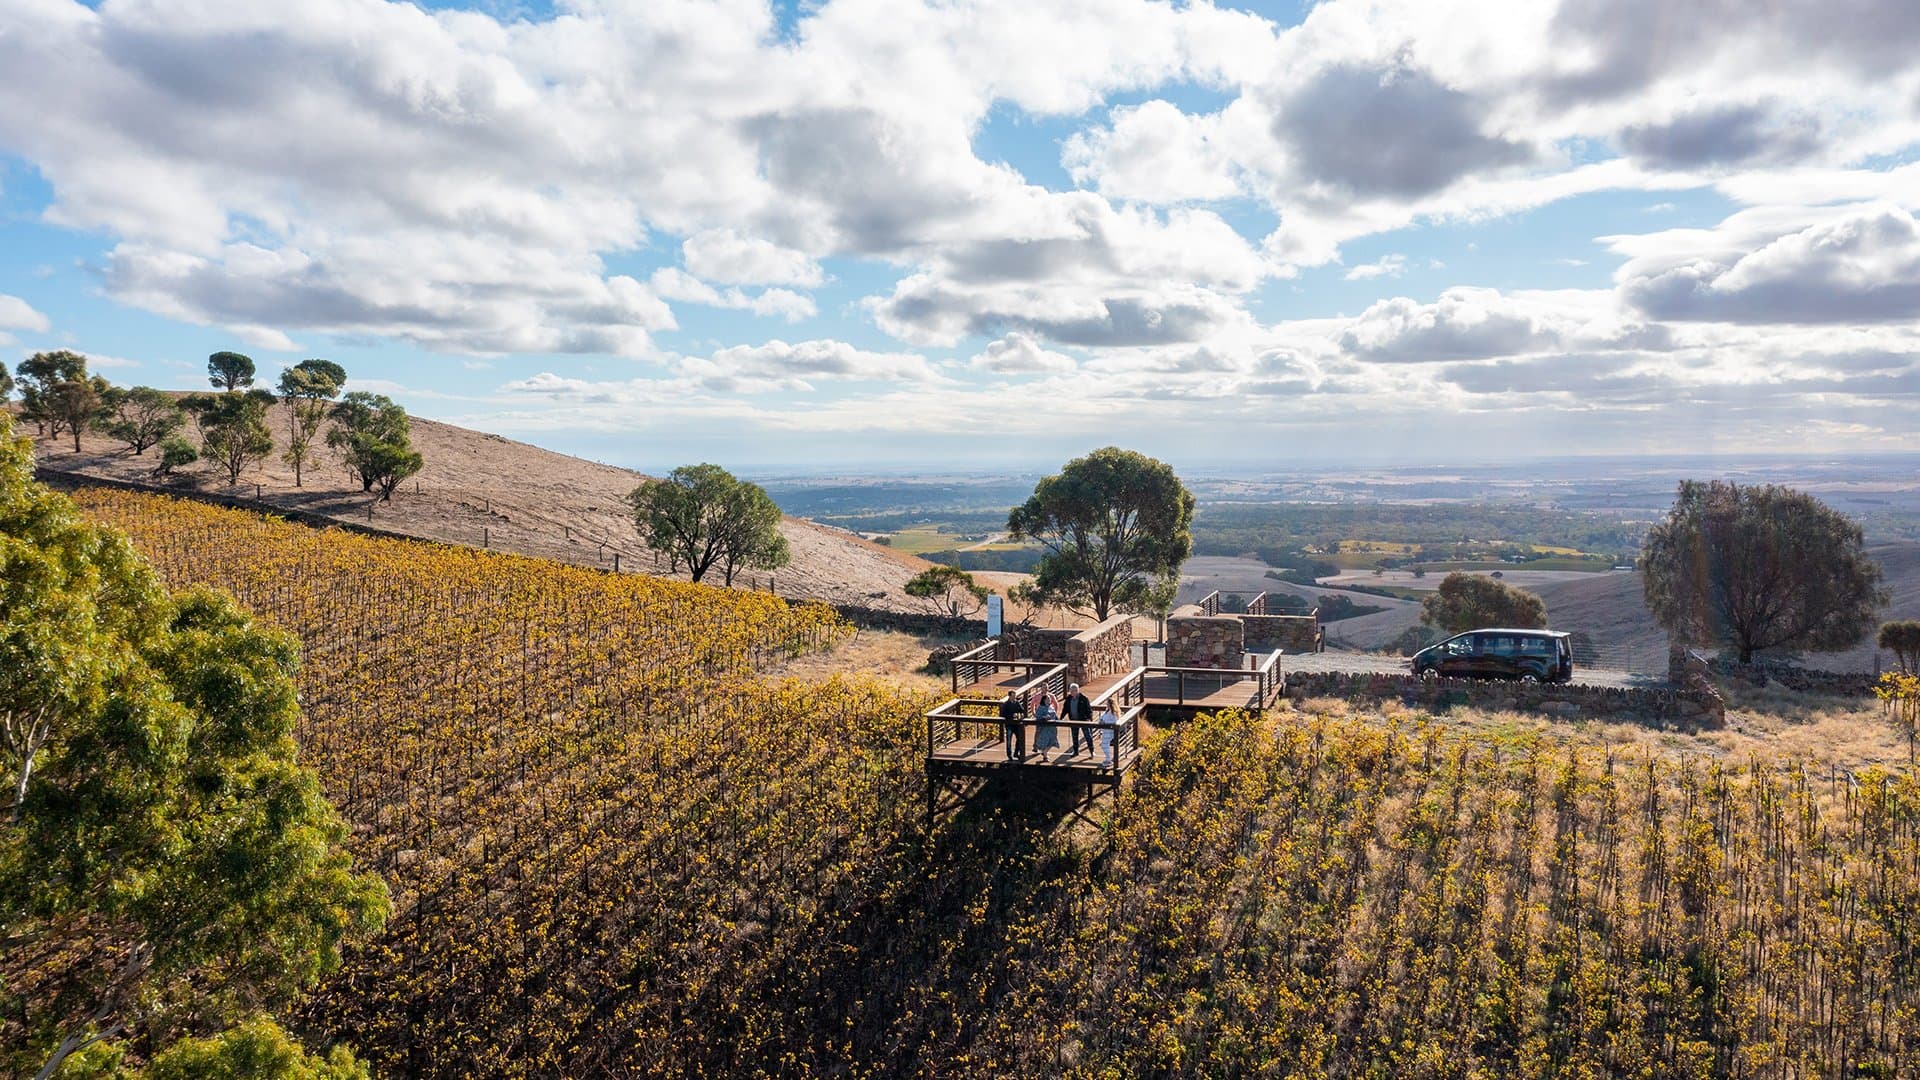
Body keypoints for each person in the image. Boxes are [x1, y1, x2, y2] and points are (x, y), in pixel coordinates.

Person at [1062, 683, 1093, 757]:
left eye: (1074, 690)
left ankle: (1091, 751)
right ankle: (1075, 751)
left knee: (1087, 736)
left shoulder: (1084, 698)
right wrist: (1061, 718)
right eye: (1071, 690)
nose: (1072, 692)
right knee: (1074, 737)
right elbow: (1065, 709)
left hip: (1083, 720)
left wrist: (1089, 718)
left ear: (1077, 690)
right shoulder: (1068, 698)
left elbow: (1089, 709)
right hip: (1073, 720)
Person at [999, 689, 1028, 762]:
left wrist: (1020, 715)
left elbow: (1022, 710)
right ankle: (1009, 755)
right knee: (1009, 740)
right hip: (1009, 724)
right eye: (1012, 696)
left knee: (1019, 738)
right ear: (1009, 696)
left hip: (1016, 725)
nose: (1014, 697)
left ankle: (1016, 753)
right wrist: (1011, 715)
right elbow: (1002, 714)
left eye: (1015, 696)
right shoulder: (1006, 704)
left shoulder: (1017, 703)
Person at [1031, 691, 1061, 760]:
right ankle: (1045, 755)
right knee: (1045, 742)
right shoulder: (1041, 707)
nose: (1049, 700)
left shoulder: (1051, 707)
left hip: (1052, 728)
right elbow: (1037, 716)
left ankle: (1045, 753)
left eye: (1050, 699)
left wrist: (1057, 718)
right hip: (1044, 728)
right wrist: (1044, 717)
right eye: (1048, 699)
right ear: (1044, 700)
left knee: (1052, 741)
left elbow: (1054, 714)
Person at [1097, 702, 1120, 769]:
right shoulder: (1107, 711)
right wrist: (1101, 720)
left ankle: (1108, 760)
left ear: (1111, 704)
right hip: (1104, 731)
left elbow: (1115, 721)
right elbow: (1102, 717)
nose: (1106, 705)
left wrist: (1105, 723)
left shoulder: (1114, 713)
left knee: (1104, 745)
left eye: (1108, 704)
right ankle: (1108, 759)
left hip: (1109, 732)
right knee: (1105, 745)